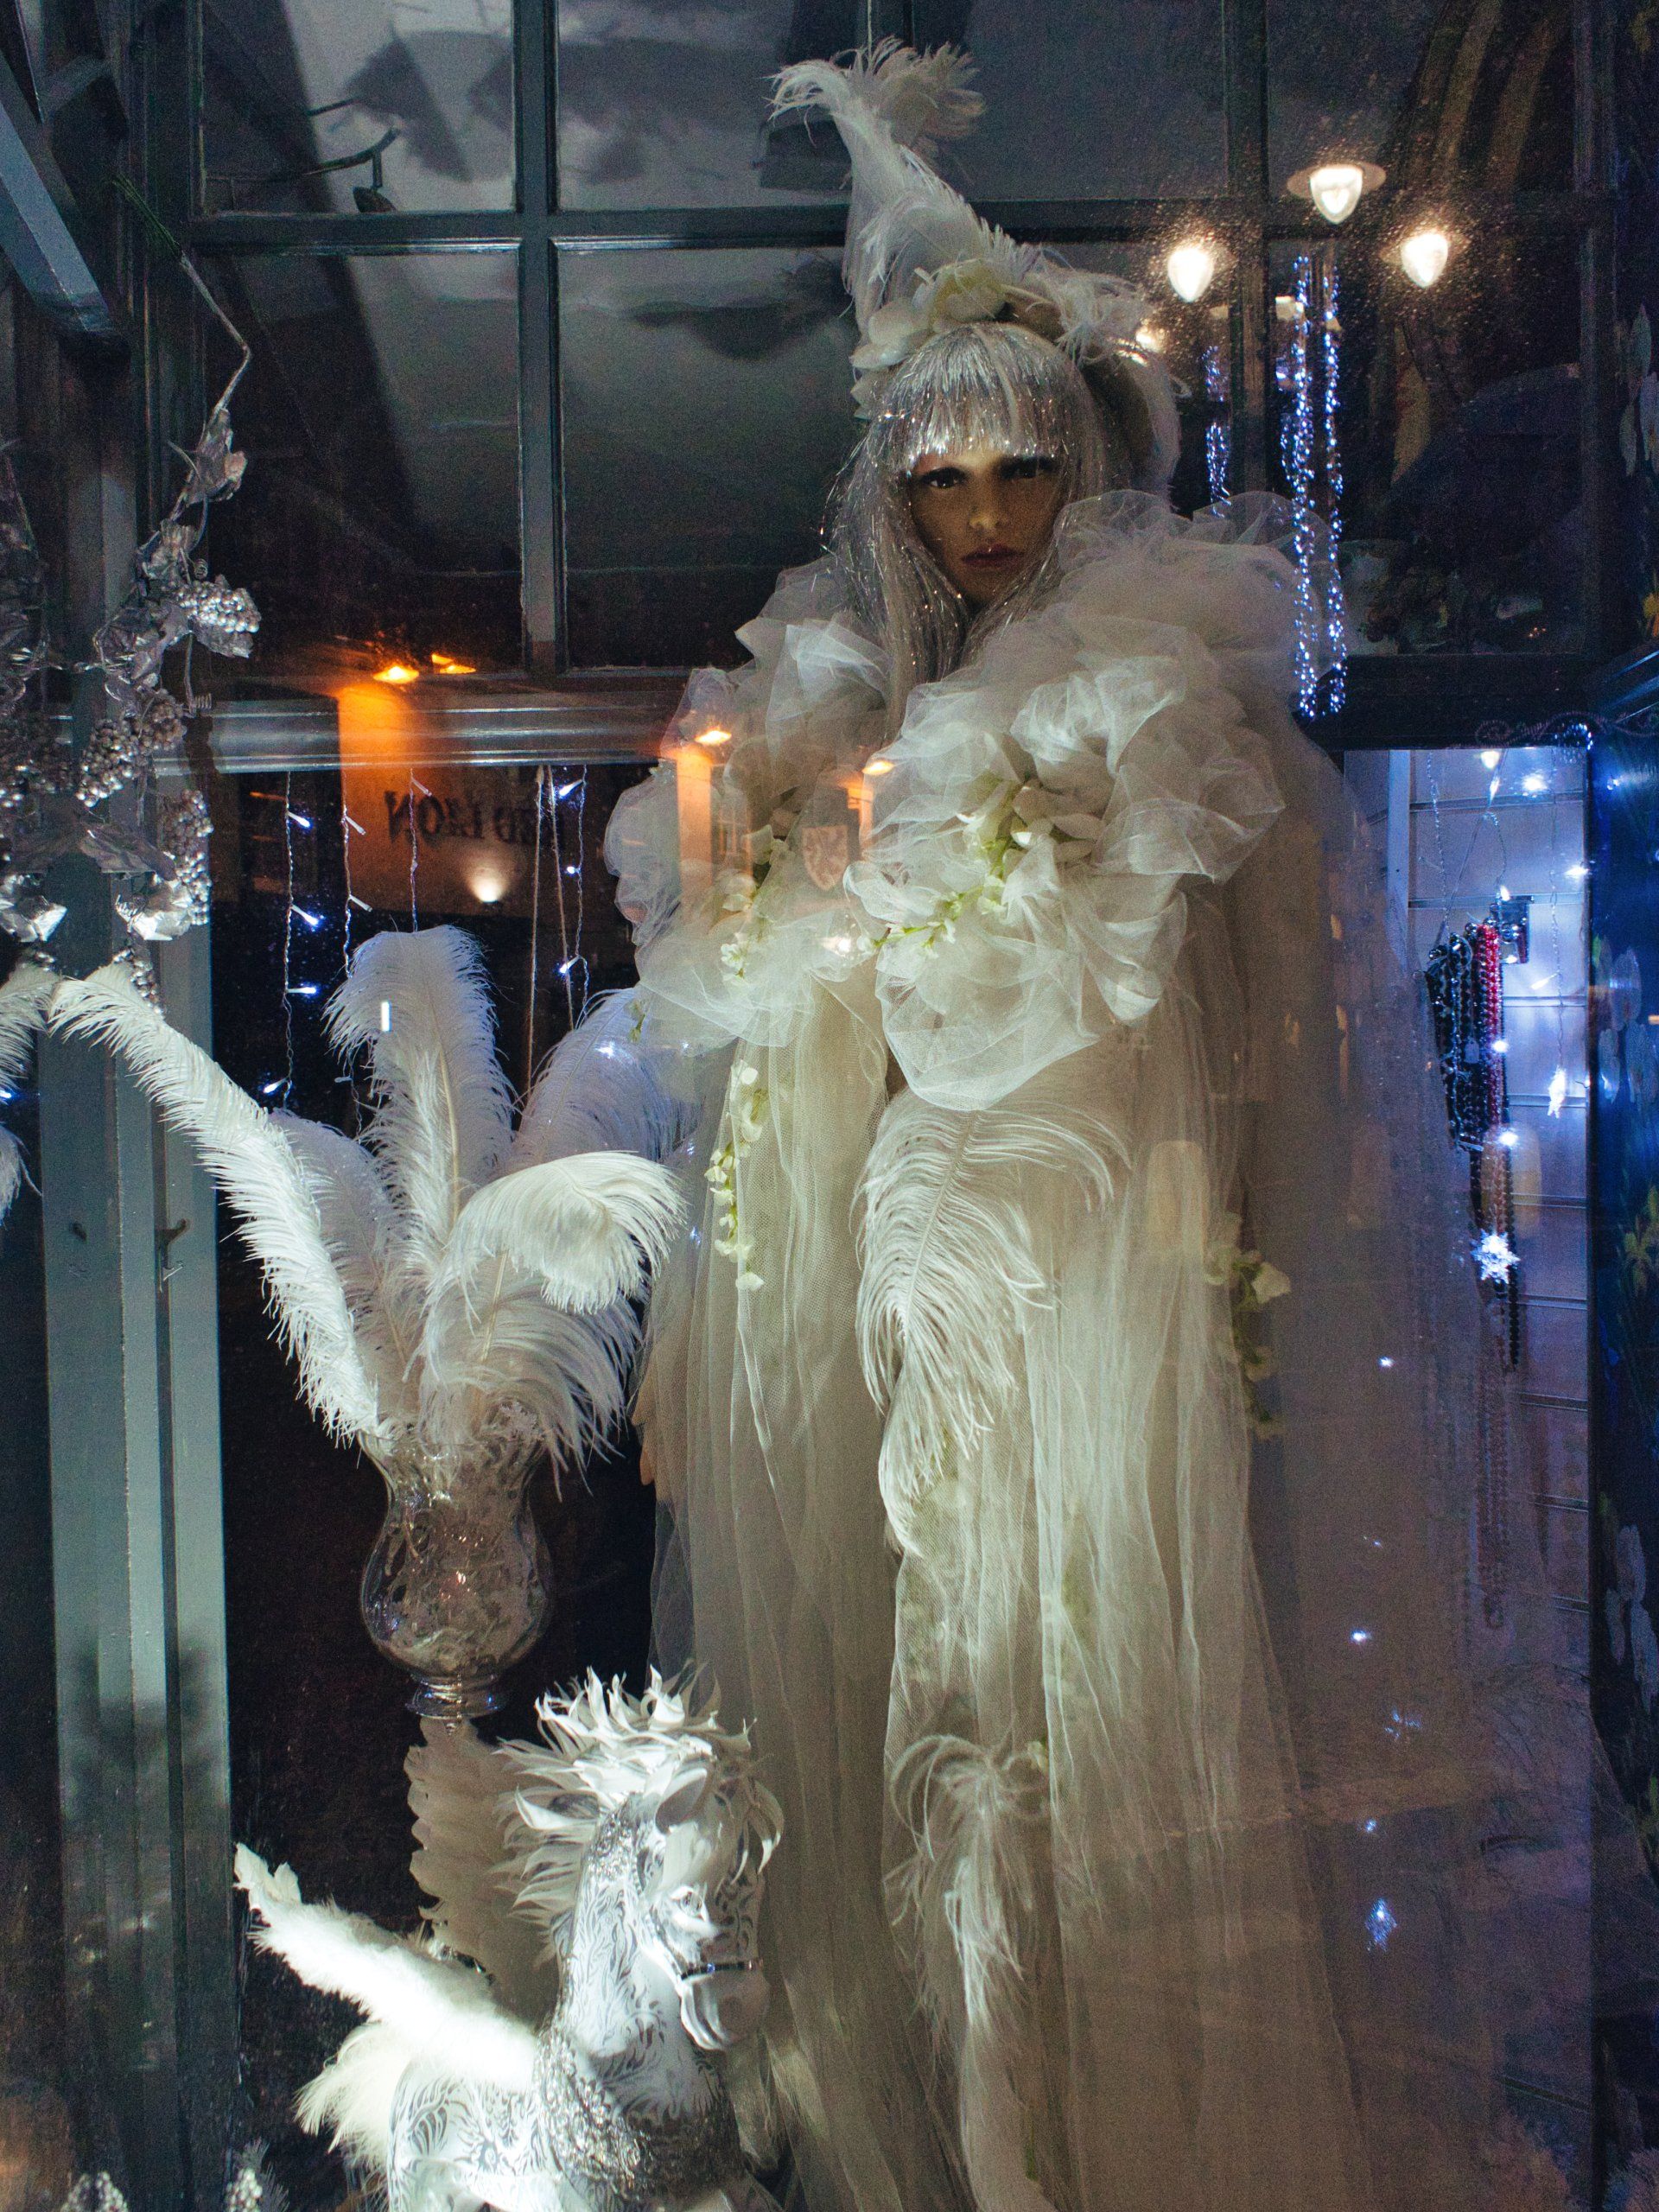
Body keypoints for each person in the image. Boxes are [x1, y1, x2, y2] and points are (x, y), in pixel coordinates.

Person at [605, 45, 1560, 2212]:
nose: (984, 520)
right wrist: (780, 904)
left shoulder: (1135, 688)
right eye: (945, 484)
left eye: (1019, 472)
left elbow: (1194, 1005)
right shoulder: (836, 709)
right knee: (934, 1657)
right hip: (914, 1237)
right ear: (894, 499)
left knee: (1098, 1667)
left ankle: (1096, 2136)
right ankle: (966, 2124)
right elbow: (762, 1021)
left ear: (1073, 465)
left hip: (1104, 1241)